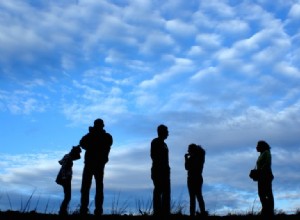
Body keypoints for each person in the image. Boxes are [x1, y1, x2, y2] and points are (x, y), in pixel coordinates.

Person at [79, 118, 113, 216]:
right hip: (92, 164)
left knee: (95, 187)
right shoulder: (94, 136)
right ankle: (85, 210)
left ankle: (95, 210)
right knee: (88, 187)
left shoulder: (105, 136)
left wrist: (93, 139)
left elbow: (108, 143)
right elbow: (82, 143)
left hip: (97, 164)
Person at [150, 124, 170, 216]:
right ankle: (157, 212)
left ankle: (165, 212)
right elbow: (154, 156)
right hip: (158, 170)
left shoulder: (164, 144)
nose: (168, 133)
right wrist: (160, 167)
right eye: (166, 131)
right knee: (158, 190)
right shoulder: (156, 142)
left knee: (166, 192)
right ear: (161, 132)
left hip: (165, 171)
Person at [56, 145, 81, 215]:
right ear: (75, 153)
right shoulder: (68, 157)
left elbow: (61, 162)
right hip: (65, 178)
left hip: (65, 178)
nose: (79, 155)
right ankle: (62, 211)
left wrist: (78, 147)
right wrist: (64, 178)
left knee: (67, 196)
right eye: (78, 153)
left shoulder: (68, 156)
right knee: (68, 196)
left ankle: (63, 211)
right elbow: (63, 167)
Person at [184, 143, 207, 217]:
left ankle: (192, 214)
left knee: (192, 198)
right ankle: (202, 212)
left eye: (189, 149)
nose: (188, 151)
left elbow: (187, 167)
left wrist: (186, 158)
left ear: (192, 150)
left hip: (192, 178)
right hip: (198, 178)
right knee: (199, 196)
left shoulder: (193, 158)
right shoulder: (200, 157)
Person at [255, 140, 274, 218]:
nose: (256, 147)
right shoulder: (261, 154)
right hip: (261, 176)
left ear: (262, 146)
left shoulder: (266, 153)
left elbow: (267, 164)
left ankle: (269, 211)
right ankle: (266, 209)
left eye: (258, 146)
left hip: (265, 176)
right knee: (261, 193)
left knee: (267, 193)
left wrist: (260, 171)